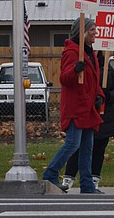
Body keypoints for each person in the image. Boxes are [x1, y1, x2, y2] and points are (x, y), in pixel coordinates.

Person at [41, 17, 104, 194]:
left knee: (87, 148)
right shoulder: (72, 52)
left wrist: (99, 95)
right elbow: (64, 78)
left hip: (88, 108)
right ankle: (50, 174)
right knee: (72, 144)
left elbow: (95, 81)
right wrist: (75, 69)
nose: (95, 34)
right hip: (76, 107)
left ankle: (87, 184)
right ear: (82, 32)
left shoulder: (91, 53)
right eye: (92, 30)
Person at [61, 50, 114, 191]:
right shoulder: (79, 64)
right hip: (84, 114)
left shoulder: (106, 68)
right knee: (77, 147)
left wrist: (107, 95)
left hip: (103, 117)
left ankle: (93, 179)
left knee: (99, 149)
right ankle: (68, 177)